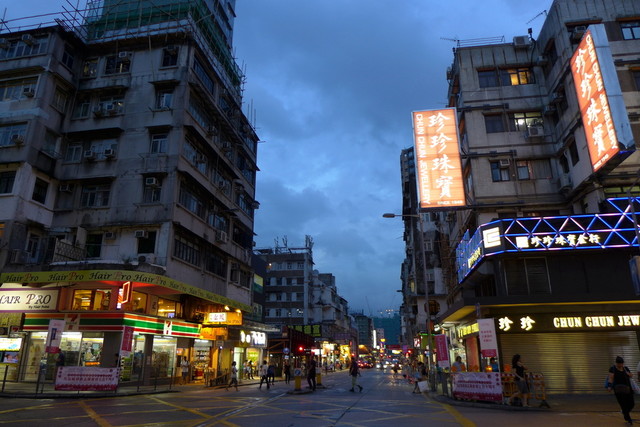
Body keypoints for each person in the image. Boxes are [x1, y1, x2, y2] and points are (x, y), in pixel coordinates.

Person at [609, 356, 634, 425]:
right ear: (616, 363)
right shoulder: (613, 369)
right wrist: (609, 386)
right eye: (619, 364)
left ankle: (625, 412)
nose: (621, 365)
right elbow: (611, 378)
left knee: (632, 404)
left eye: (622, 364)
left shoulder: (625, 368)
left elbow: (631, 375)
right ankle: (628, 420)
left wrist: (629, 374)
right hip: (619, 390)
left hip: (628, 389)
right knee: (623, 405)